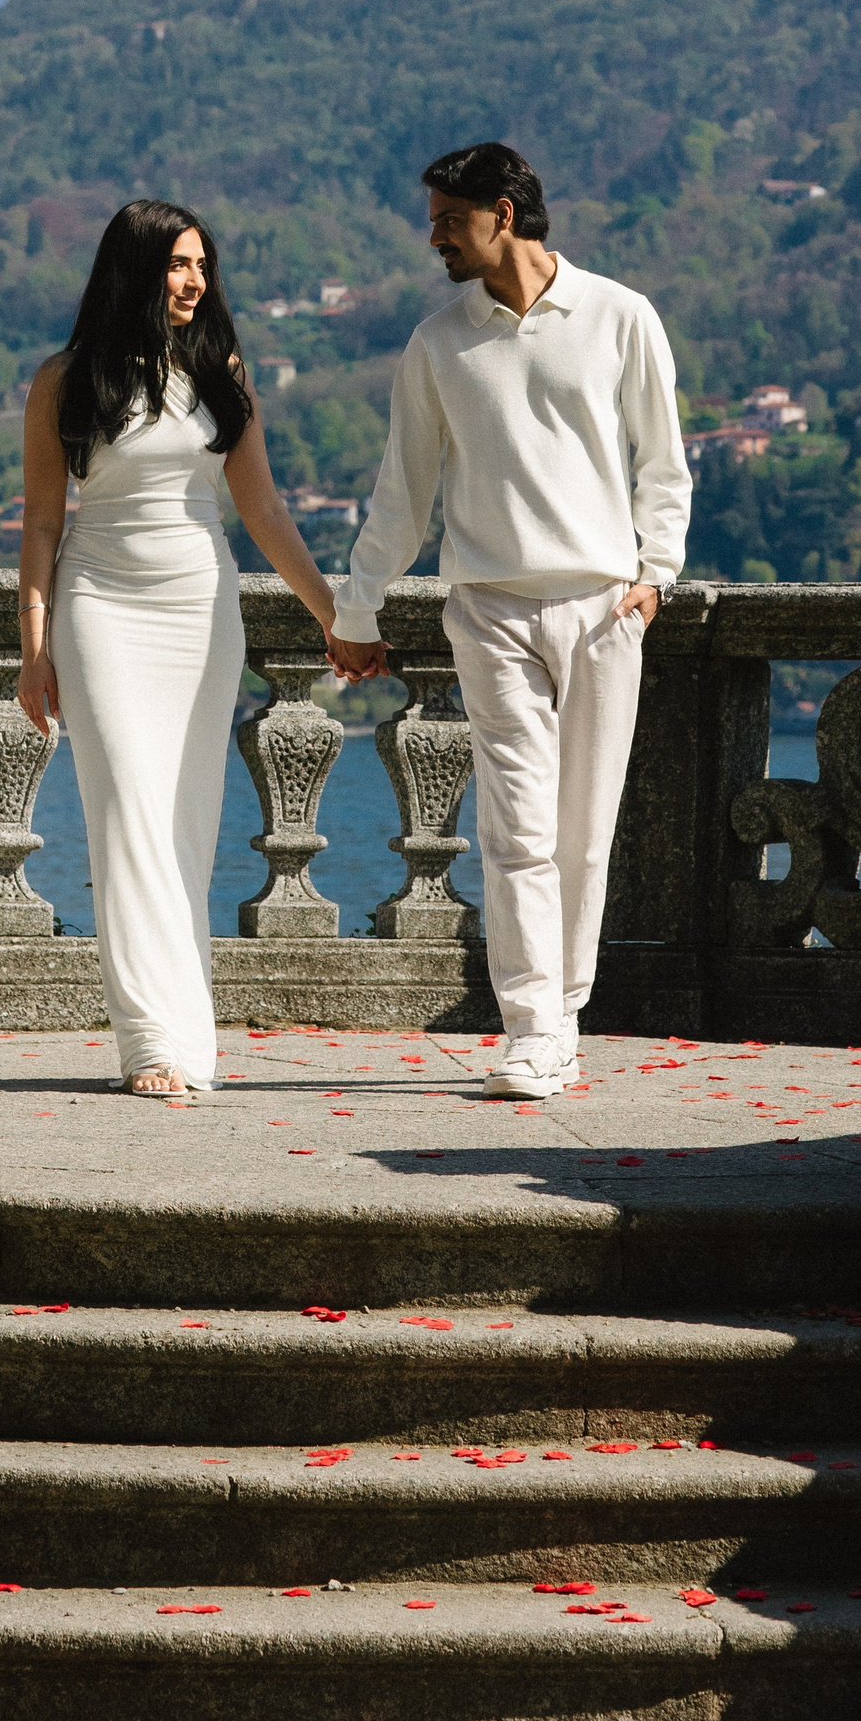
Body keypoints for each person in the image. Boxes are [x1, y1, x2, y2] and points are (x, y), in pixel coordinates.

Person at [326, 143, 692, 1101]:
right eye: (433, 223)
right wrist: (357, 606)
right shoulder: (437, 343)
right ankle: (533, 1029)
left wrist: (654, 577)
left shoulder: (620, 315)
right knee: (516, 826)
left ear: (503, 212)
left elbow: (663, 463)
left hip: (603, 607)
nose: (436, 239)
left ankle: (564, 1016)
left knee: (585, 831)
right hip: (488, 608)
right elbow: (401, 494)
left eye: (450, 220)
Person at [16, 199, 340, 1099]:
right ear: (135, 269)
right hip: (99, 607)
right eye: (177, 264)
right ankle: (149, 1041)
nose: (195, 280)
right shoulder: (63, 379)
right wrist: (33, 648)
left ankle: (189, 1032)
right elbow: (41, 523)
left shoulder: (220, 370)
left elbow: (262, 507)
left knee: (185, 823)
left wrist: (333, 612)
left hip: (200, 610)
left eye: (202, 264)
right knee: (127, 810)